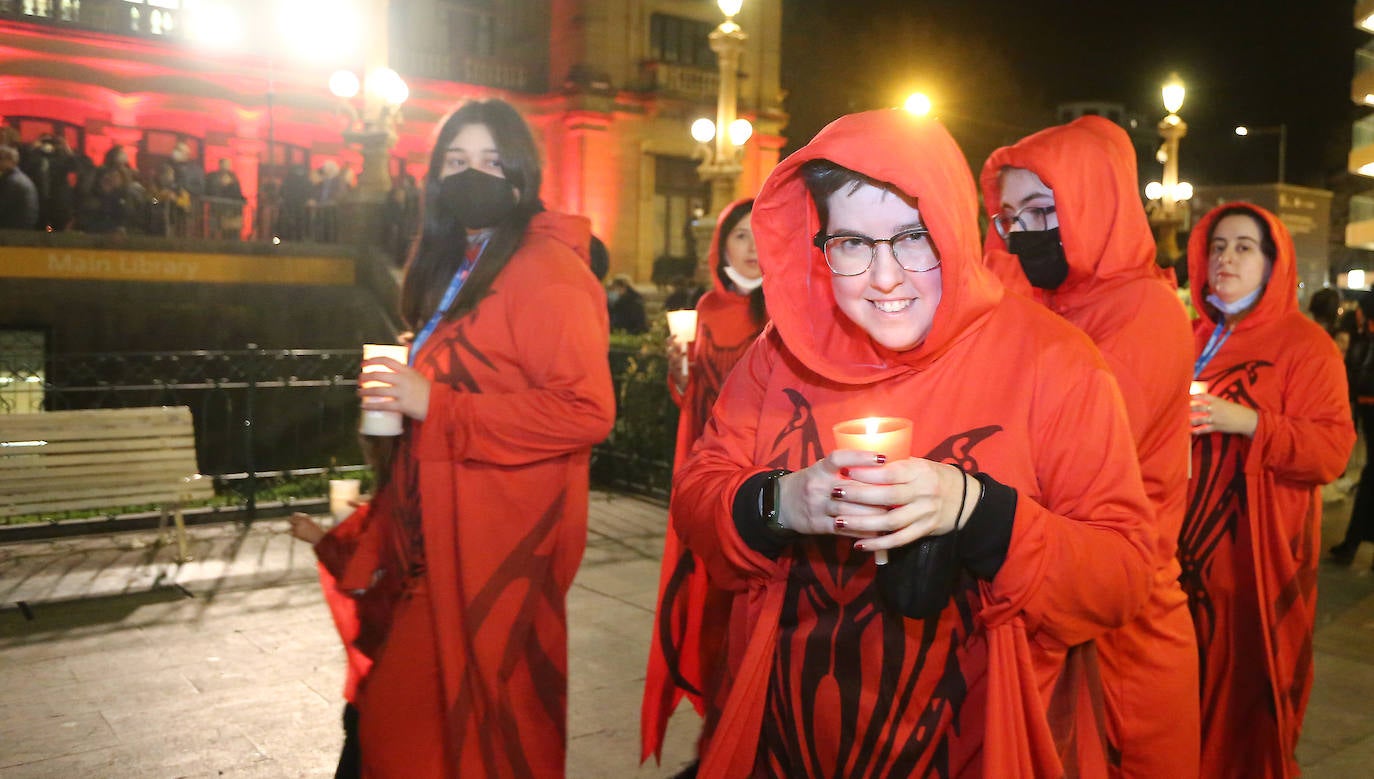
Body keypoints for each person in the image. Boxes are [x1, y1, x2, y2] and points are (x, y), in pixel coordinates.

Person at [672, 109, 1157, 776]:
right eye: (851, 243)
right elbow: (699, 494)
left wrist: (979, 511)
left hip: (970, 739)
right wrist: (782, 502)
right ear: (820, 246)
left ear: (956, 227)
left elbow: (1122, 575)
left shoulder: (1056, 361)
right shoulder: (782, 352)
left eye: (913, 236)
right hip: (785, 735)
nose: (885, 277)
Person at [301, 98, 616, 777]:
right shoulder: (465, 262)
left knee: (424, 730)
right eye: (455, 160)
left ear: (521, 175)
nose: (472, 174)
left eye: (491, 161)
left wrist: (435, 401)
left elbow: (587, 410)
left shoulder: (547, 268)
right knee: (424, 731)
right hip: (437, 540)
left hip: (493, 552)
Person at [979, 116, 1200, 778]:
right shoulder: (1042, 301)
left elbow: (1061, 457)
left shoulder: (1144, 310)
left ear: (1094, 201)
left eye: (1043, 209)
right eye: (1010, 216)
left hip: (1124, 633)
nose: (1023, 231)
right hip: (1046, 599)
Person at [1181, 202, 1354, 778]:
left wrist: (1249, 421)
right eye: (1218, 245)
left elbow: (1331, 451)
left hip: (1252, 557)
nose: (1225, 257)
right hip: (1177, 552)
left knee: (1245, 696)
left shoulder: (1307, 345)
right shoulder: (1190, 333)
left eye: (1244, 247)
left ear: (1274, 263)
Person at [642, 198, 767, 768]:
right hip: (713, 482)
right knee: (711, 613)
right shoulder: (706, 309)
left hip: (766, 481)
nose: (754, 246)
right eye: (741, 236)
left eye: (763, 233)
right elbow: (695, 403)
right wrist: (679, 373)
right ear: (722, 246)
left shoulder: (793, 307)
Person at [0, 145, 38, 230]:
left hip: (12, 230)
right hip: (23, 228)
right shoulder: (19, 177)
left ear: (10, 160)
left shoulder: (11, 181)